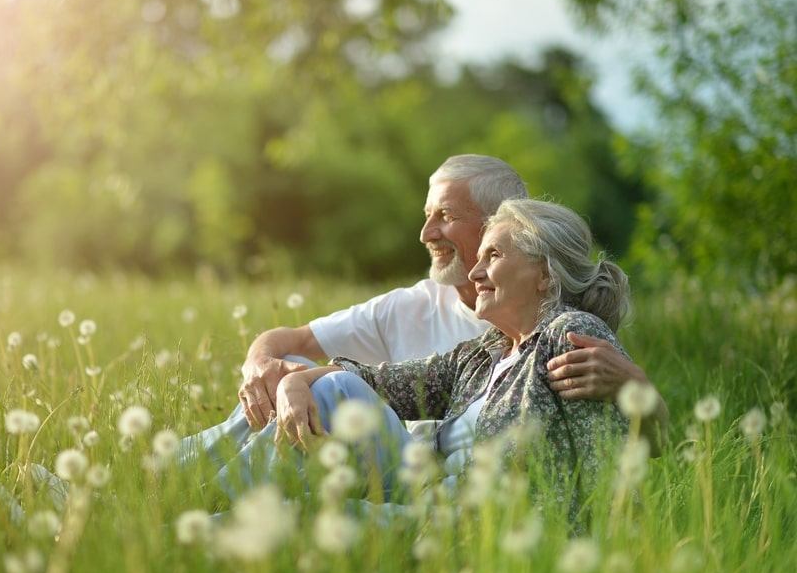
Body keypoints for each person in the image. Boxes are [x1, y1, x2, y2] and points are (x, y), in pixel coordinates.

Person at [178, 155, 667, 468]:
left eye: (446, 216)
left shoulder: (565, 334)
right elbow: (296, 347)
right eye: (426, 216)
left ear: (504, 225)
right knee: (316, 377)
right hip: (399, 471)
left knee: (326, 386)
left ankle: (193, 488)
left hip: (440, 495)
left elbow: (615, 447)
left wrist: (639, 390)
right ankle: (187, 476)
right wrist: (267, 368)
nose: (426, 233)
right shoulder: (466, 340)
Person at [226, 199, 636, 522]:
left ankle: (200, 501)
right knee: (329, 387)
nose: (474, 273)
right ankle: (206, 496)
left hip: (475, 526)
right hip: (428, 498)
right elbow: (378, 381)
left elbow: (605, 467)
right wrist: (294, 382)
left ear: (544, 274)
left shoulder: (568, 335)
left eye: (492, 256)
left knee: (304, 513)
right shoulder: (483, 353)